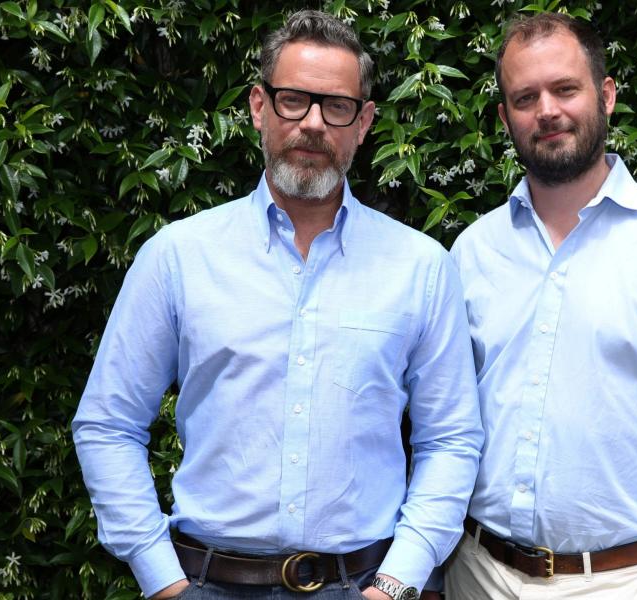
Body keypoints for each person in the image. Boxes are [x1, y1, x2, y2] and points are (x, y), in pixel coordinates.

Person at [72, 10, 482, 600]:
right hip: (206, 586)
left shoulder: (421, 267)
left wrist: (396, 585)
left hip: (364, 584)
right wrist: (164, 584)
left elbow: (451, 439)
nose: (313, 123)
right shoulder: (178, 257)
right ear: (260, 107)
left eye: (336, 106)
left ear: (363, 122)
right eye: (294, 100)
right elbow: (108, 425)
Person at [445, 12, 637, 600]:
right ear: (504, 117)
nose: (547, 110)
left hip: (626, 582)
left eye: (565, 88)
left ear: (607, 95)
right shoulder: (472, 252)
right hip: (478, 575)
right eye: (525, 97)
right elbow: (446, 428)